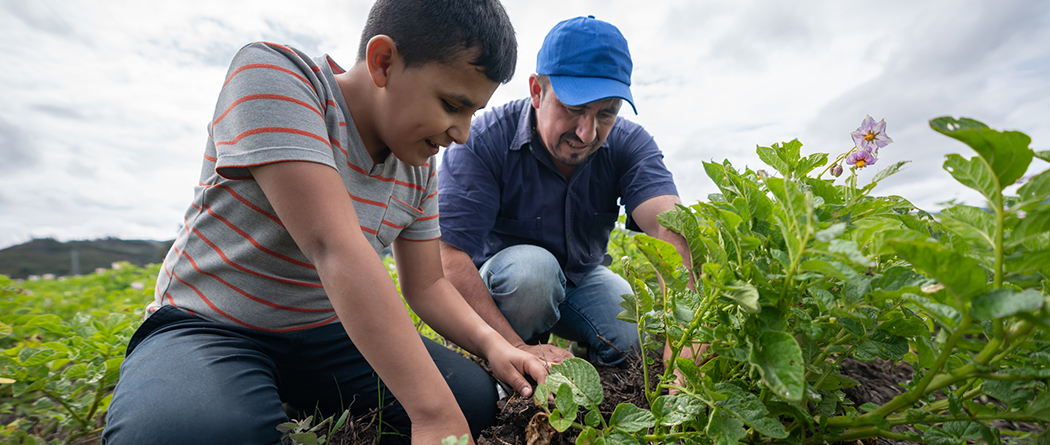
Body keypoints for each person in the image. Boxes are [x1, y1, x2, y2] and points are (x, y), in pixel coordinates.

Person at [101, 1, 547, 444]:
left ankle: (280, 393)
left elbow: (427, 284)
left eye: (472, 113)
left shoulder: (418, 165)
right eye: (452, 105)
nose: (462, 134)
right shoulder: (275, 77)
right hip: (212, 325)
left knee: (471, 400)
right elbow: (334, 246)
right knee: (187, 434)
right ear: (384, 62)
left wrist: (495, 346)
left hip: (325, 334)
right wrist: (432, 415)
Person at [438, 16, 692, 370]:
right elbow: (448, 256)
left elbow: (672, 226)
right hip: (504, 290)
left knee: (635, 338)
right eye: (574, 110)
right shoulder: (484, 139)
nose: (587, 133)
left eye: (606, 114)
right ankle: (505, 369)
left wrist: (686, 343)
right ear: (537, 92)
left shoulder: (629, 143)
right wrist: (512, 346)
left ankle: (590, 374)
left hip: (581, 277)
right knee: (532, 276)